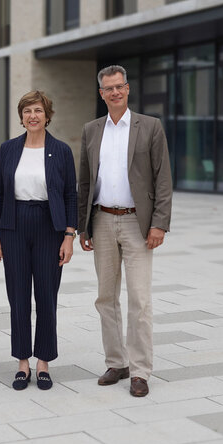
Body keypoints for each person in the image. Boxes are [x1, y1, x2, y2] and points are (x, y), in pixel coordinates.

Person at [77, 65, 172, 398]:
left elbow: (163, 179)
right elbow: (85, 181)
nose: (114, 93)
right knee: (106, 297)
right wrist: (82, 225)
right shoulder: (91, 130)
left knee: (139, 299)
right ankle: (116, 362)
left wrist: (159, 223)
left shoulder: (150, 127)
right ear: (101, 94)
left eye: (119, 87)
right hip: (101, 219)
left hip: (137, 223)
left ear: (128, 89)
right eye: (108, 89)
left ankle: (141, 370)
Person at [0, 91, 77, 391]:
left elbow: (70, 196)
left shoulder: (61, 150)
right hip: (14, 226)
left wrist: (69, 236)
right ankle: (23, 362)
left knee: (47, 296)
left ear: (47, 115)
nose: (32, 116)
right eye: (27, 111)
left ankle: (44, 362)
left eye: (37, 110)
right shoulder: (9, 149)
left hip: (49, 227)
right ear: (21, 116)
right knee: (18, 297)